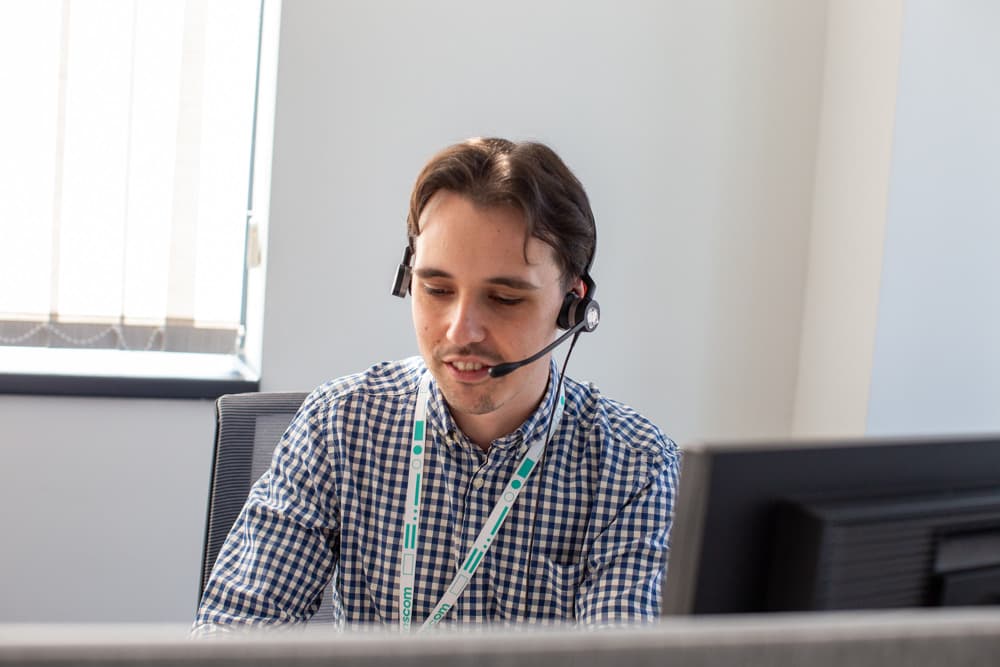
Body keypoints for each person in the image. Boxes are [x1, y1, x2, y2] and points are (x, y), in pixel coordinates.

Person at [193, 137, 679, 633]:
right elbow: (232, 634)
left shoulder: (635, 467)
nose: (459, 332)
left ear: (571, 306)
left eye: (505, 298)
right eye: (437, 289)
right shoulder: (339, 425)